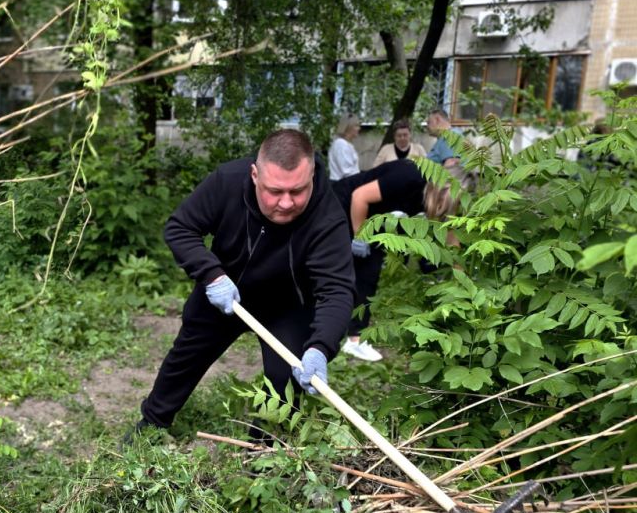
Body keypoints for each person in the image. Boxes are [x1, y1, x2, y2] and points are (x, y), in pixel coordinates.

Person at [131, 129, 355, 439]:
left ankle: (262, 451)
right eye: (275, 191)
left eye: (298, 191)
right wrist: (212, 274)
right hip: (226, 291)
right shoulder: (228, 181)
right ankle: (152, 424)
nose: (287, 203)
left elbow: (337, 289)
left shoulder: (328, 216)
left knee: (285, 378)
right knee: (186, 355)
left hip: (287, 305)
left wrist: (320, 346)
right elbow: (180, 228)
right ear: (254, 175)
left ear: (313, 176)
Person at [332, 160, 463, 362]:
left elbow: (451, 236)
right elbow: (359, 196)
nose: (441, 212)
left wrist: (462, 282)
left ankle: (354, 341)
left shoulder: (441, 197)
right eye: (441, 206)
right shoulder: (409, 175)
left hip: (375, 217)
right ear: (439, 189)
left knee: (368, 273)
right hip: (344, 204)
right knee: (336, 266)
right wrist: (359, 237)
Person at [328, 114, 361, 180]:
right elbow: (347, 172)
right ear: (348, 127)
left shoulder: (347, 145)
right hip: (341, 186)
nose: (359, 128)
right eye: (356, 125)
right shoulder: (341, 144)